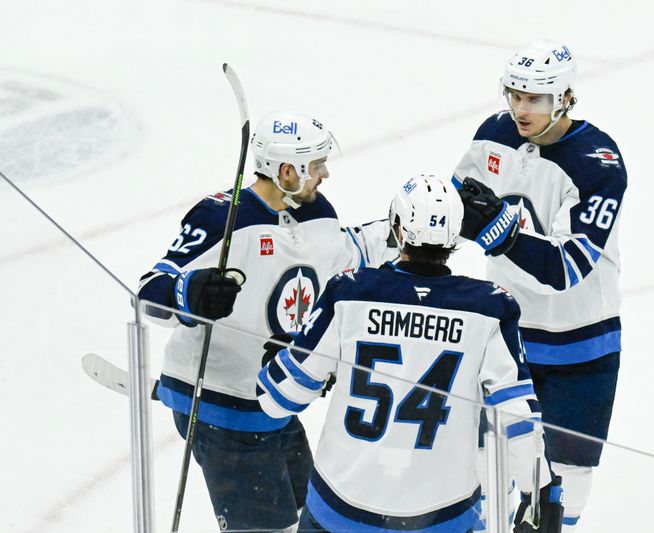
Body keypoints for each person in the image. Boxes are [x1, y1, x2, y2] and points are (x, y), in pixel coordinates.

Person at [257, 174, 563, 533]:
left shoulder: (350, 293)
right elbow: (517, 416)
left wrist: (278, 363)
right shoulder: (488, 309)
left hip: (341, 512)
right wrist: (539, 491)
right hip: (440, 517)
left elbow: (277, 400)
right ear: (456, 234)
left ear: (398, 229)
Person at [137, 111, 394, 531]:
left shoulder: (315, 213)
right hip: (220, 404)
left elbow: (347, 255)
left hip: (272, 404)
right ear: (287, 171)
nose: (325, 173)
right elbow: (150, 292)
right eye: (316, 165)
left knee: (309, 521)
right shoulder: (221, 216)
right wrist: (188, 292)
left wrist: (404, 234)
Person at [453, 39, 628, 531]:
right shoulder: (493, 133)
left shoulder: (597, 162)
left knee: (562, 499)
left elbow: (568, 268)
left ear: (565, 99)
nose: (520, 108)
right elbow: (457, 206)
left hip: (581, 346)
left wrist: (503, 234)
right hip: (508, 338)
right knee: (488, 479)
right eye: (515, 94)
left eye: (535, 99)